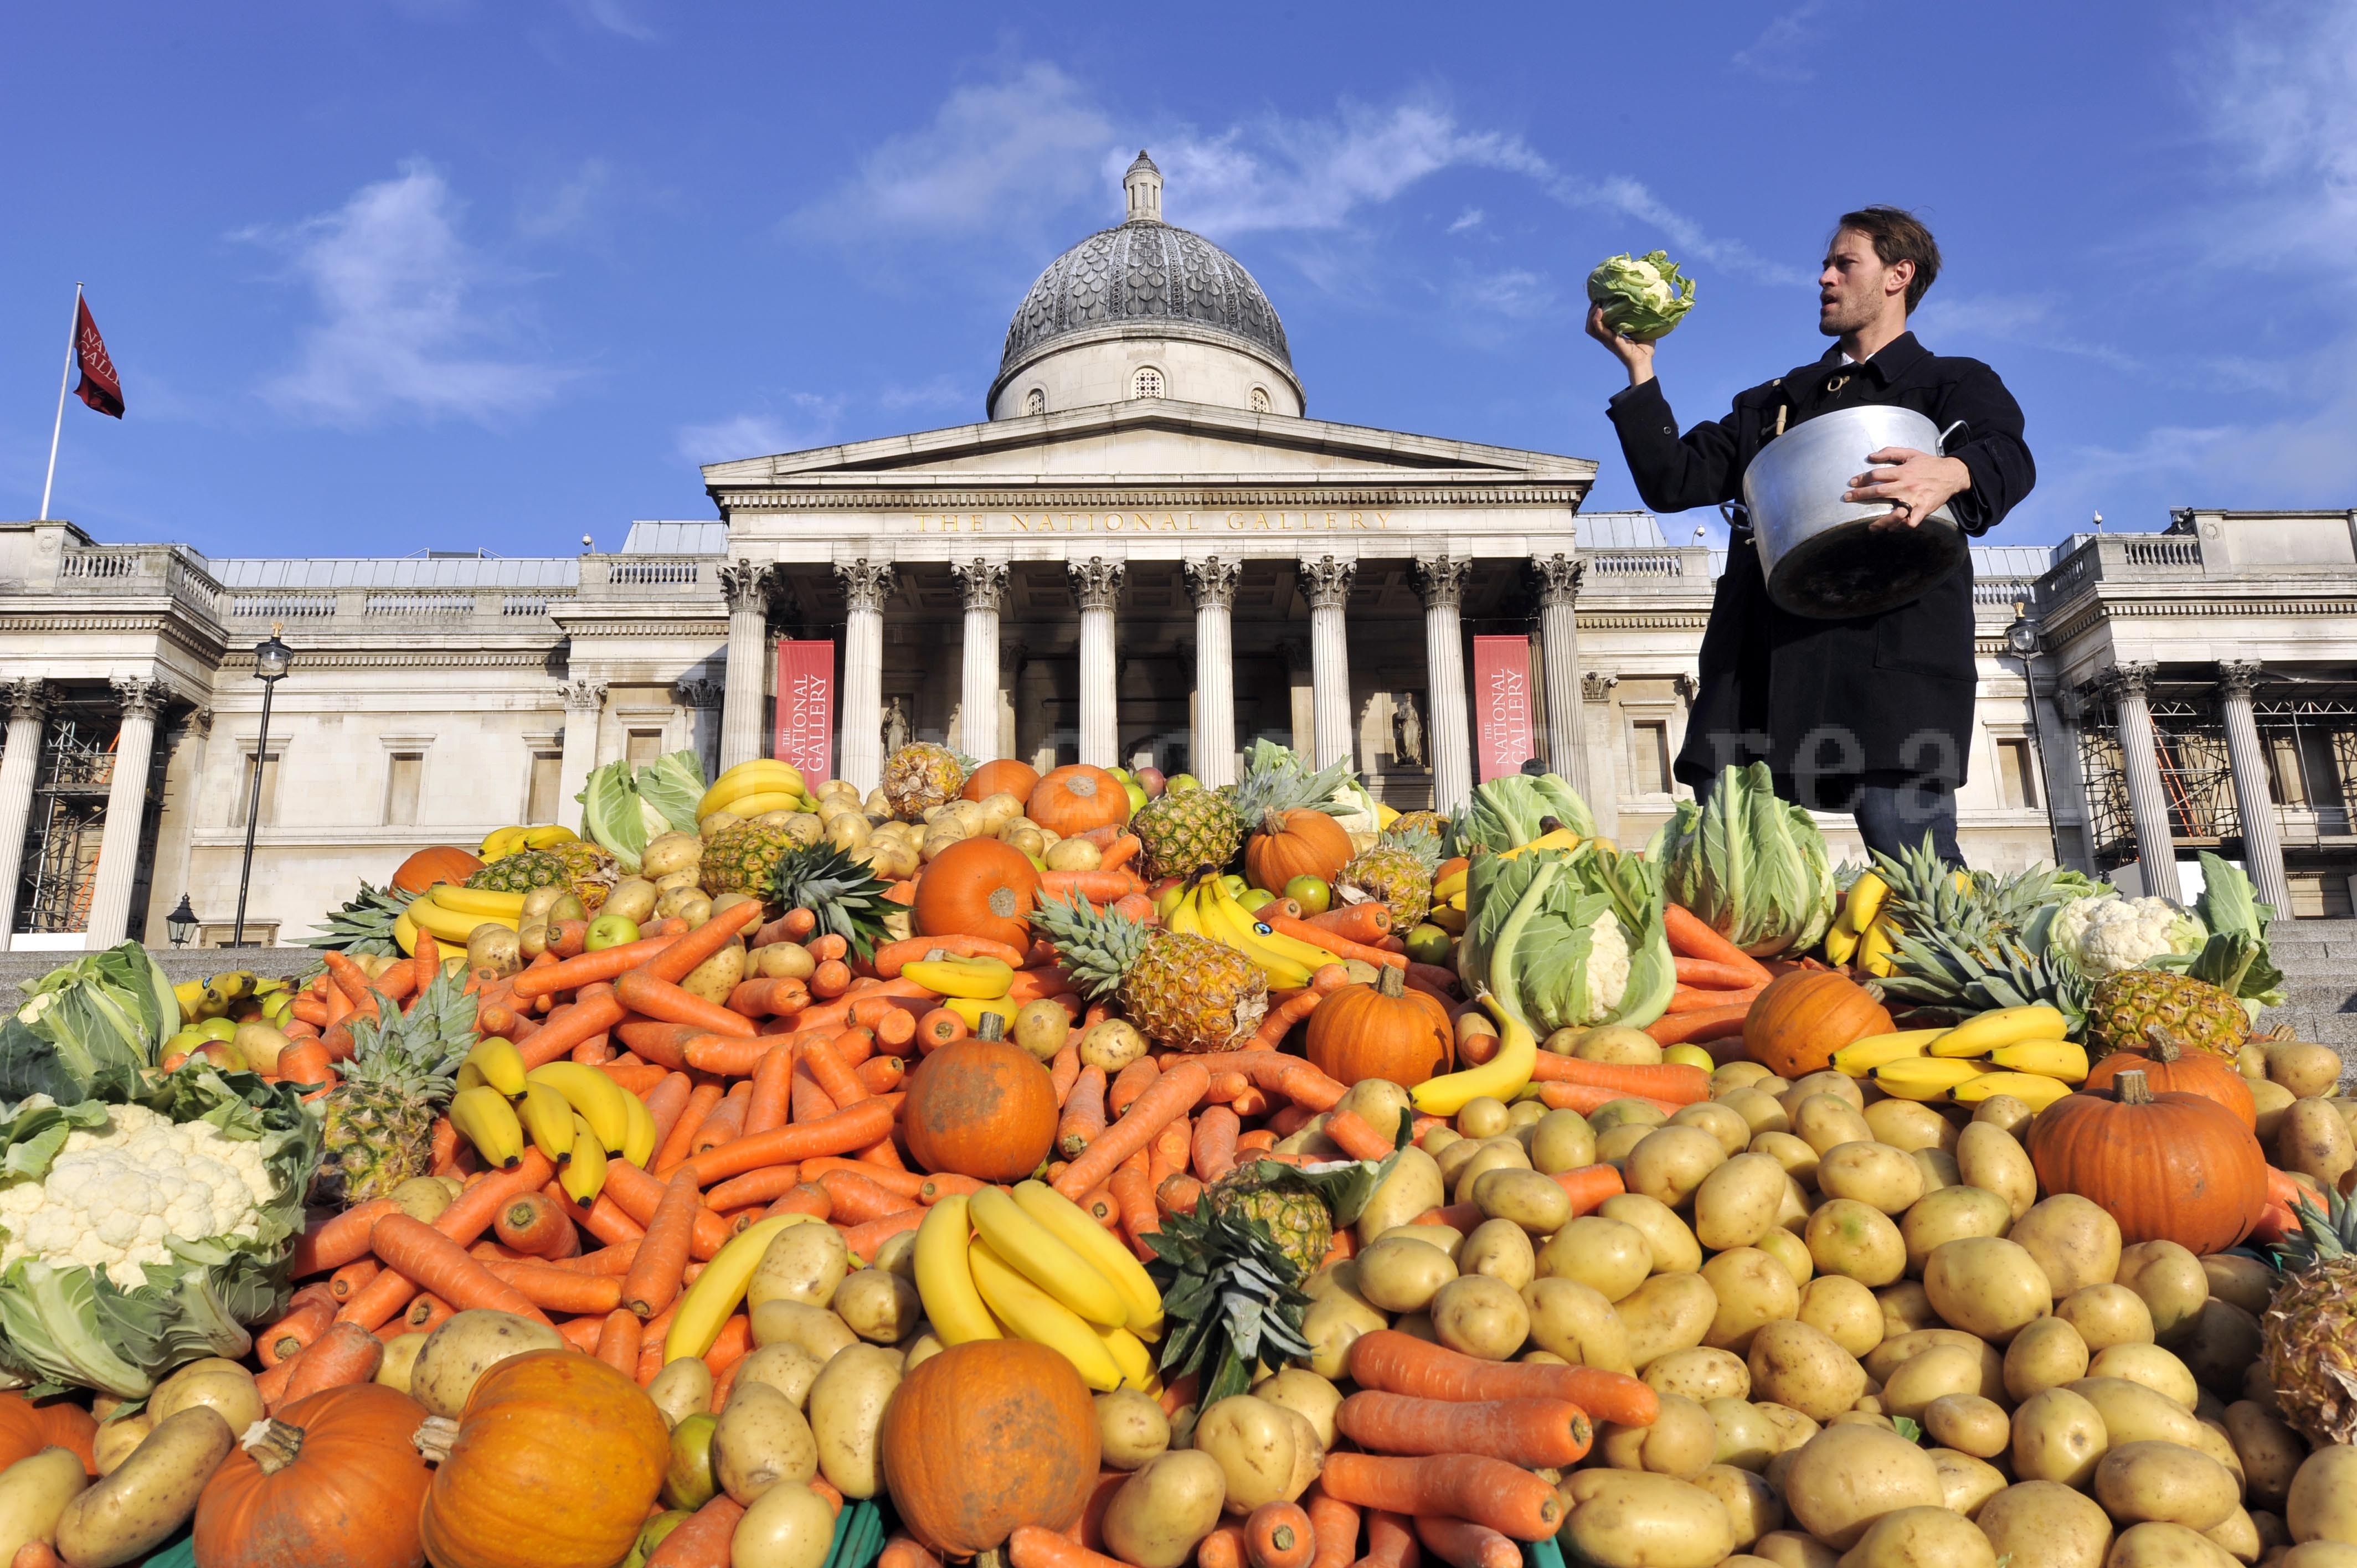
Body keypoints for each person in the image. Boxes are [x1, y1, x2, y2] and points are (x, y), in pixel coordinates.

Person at [1588, 207, 2034, 864]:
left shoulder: (1953, 382)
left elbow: (2010, 457)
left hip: (1891, 659)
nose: (1823, 277)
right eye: (1826, 265)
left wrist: (1953, 469)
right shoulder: (1776, 401)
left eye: (1842, 263)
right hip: (1761, 659)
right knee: (1733, 858)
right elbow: (1672, 480)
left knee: (1908, 851)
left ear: (1897, 275)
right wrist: (1639, 369)